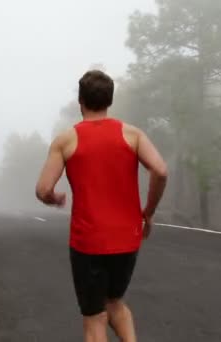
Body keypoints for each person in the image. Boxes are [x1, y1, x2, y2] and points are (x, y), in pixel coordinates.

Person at [35, 70, 168, 342]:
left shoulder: (66, 140)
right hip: (127, 239)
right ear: (110, 100)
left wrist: (53, 198)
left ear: (80, 100)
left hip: (89, 242)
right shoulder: (132, 135)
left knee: (95, 317)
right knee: (115, 302)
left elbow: (43, 189)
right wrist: (149, 212)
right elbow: (161, 171)